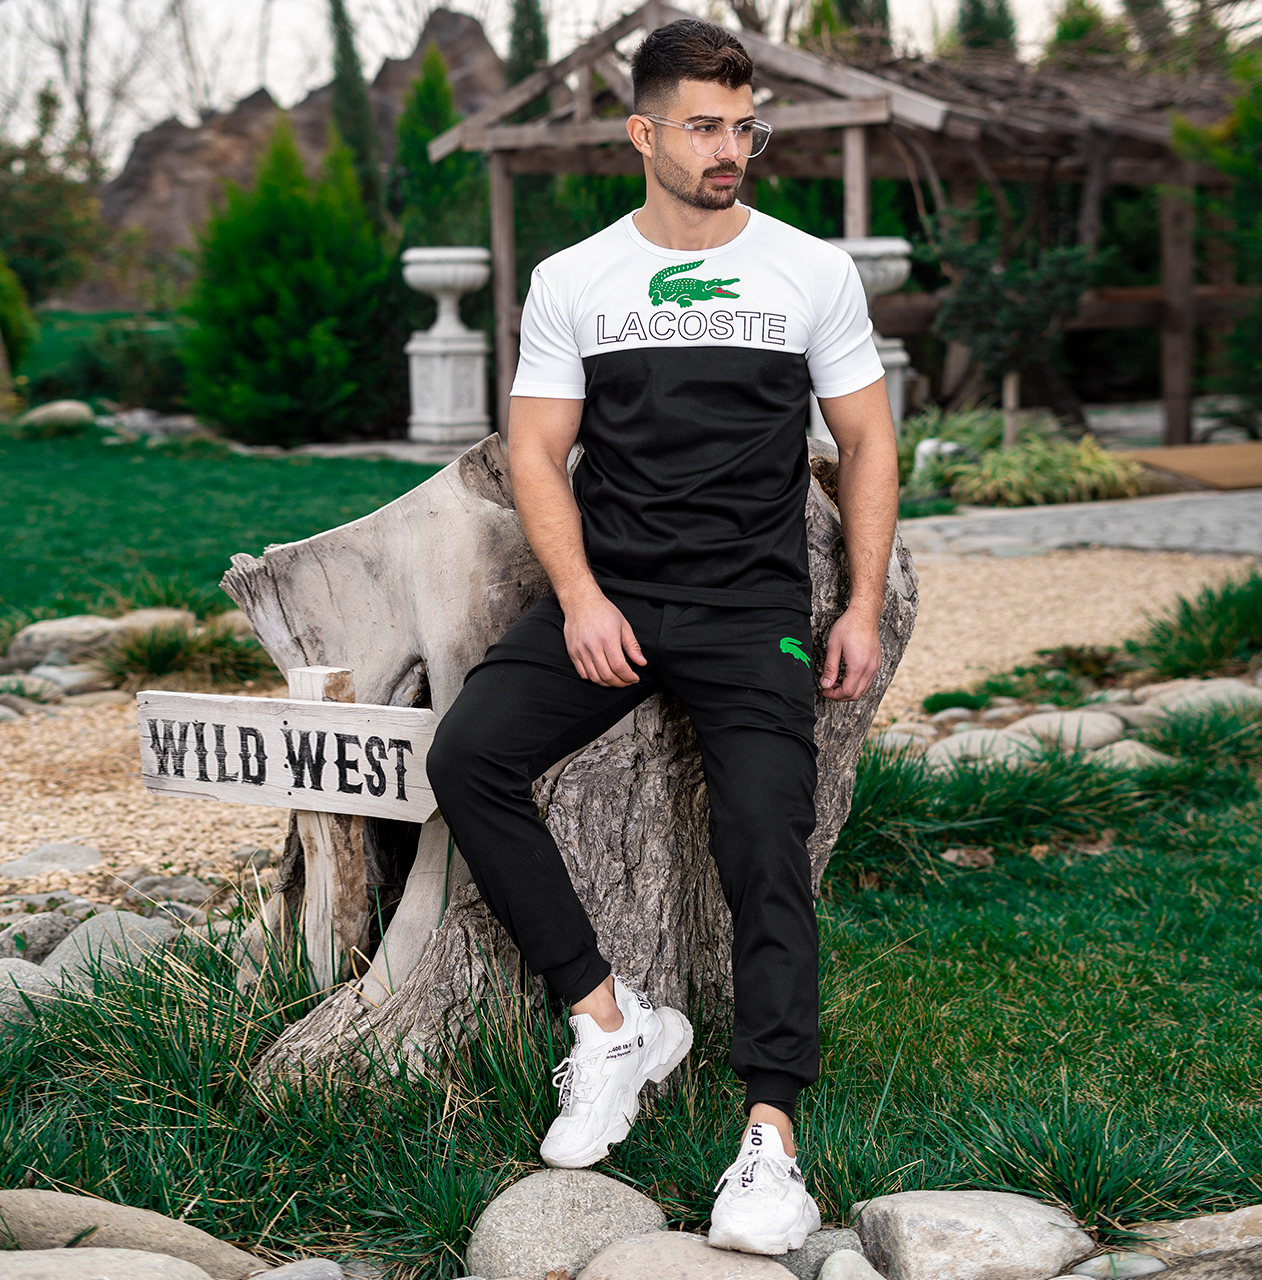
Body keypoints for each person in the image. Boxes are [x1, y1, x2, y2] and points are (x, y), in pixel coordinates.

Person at [425, 16, 899, 1257]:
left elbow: (864, 438)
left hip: (751, 613)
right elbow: (536, 452)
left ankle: (770, 1135)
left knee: (762, 842)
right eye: (701, 126)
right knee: (467, 753)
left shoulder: (808, 271)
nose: (727, 148)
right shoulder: (576, 277)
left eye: (743, 127)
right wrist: (581, 599)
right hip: (617, 598)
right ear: (642, 133)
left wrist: (856, 603)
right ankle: (607, 1019)